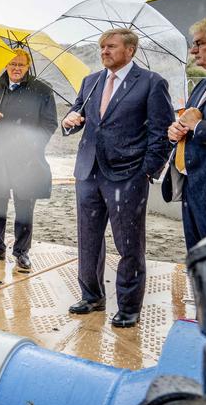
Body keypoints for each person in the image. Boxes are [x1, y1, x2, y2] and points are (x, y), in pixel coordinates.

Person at [61, 28, 172, 328]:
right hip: (87, 172)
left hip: (128, 175)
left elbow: (162, 133)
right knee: (88, 239)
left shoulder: (151, 83)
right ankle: (92, 296)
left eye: (110, 46)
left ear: (130, 50)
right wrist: (69, 121)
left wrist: (146, 170)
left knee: (129, 245)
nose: (104, 52)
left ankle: (128, 306)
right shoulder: (91, 81)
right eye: (101, 47)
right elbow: (77, 115)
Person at [0, 49, 58, 272]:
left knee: (24, 206)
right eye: (12, 63)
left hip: (27, 159)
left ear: (28, 65)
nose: (16, 68)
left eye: (21, 65)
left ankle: (22, 252)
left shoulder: (42, 90)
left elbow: (50, 123)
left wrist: (33, 144)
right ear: (5, 65)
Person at [165, 16, 206, 252]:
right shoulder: (204, 85)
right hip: (193, 189)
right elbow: (188, 121)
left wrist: (198, 126)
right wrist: (176, 130)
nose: (193, 50)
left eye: (199, 43)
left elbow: (197, 123)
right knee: (200, 264)